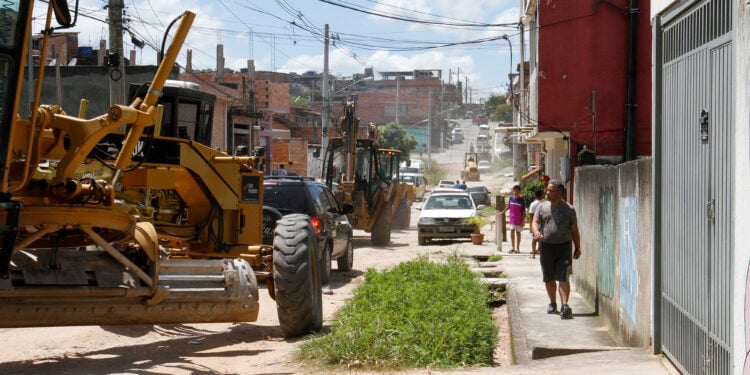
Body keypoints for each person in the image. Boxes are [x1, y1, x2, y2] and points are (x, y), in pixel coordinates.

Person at [531, 180, 581, 320]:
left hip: (564, 246)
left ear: (560, 192)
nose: (547, 193)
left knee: (563, 276)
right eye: (547, 190)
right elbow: (535, 222)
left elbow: (574, 229)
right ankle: (553, 303)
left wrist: (577, 246)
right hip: (546, 247)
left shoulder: (569, 209)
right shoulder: (542, 207)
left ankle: (565, 305)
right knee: (549, 277)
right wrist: (536, 233)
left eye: (551, 191)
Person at [501, 185, 525, 253]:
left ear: (519, 192)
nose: (515, 192)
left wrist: (523, 220)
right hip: (512, 218)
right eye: (514, 191)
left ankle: (517, 248)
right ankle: (513, 247)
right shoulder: (511, 198)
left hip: (519, 219)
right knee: (511, 231)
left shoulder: (521, 200)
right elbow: (509, 206)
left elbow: (523, 211)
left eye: (517, 191)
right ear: (513, 191)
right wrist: (502, 212)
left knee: (518, 233)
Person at [528, 188, 544, 258]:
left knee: (534, 239)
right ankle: (540, 251)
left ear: (535, 195)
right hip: (543, 224)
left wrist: (531, 227)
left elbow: (531, 216)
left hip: (535, 224)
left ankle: (533, 254)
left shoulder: (533, 204)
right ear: (542, 195)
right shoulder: (545, 203)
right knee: (542, 239)